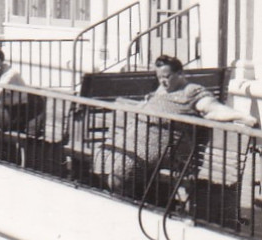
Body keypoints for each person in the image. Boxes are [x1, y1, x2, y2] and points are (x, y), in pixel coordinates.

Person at [92, 54, 259, 190]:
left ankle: (130, 201)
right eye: (159, 77)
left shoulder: (191, 91)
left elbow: (213, 109)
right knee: (102, 155)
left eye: (167, 77)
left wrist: (243, 117)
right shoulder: (162, 89)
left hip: (164, 147)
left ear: (180, 74)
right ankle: (134, 198)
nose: (163, 81)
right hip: (136, 140)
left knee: (122, 168)